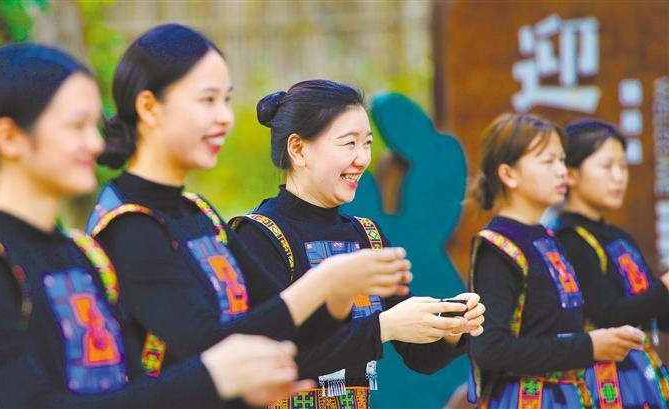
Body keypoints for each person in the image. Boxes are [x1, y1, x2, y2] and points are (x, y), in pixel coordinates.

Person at [0, 43, 311, 409]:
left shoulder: (84, 254)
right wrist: (213, 377)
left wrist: (238, 392)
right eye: (76, 126)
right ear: (9, 138)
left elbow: (133, 392)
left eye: (94, 125)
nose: (96, 144)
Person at [88, 23, 412, 394]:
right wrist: (328, 282)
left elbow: (280, 326)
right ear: (149, 107)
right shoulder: (129, 224)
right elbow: (211, 348)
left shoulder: (199, 212)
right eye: (207, 100)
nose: (225, 117)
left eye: (226, 100)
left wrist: (339, 293)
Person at [230, 79, 485, 408]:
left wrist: (451, 327)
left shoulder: (368, 235)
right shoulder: (258, 235)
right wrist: (382, 328)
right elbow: (272, 357)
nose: (362, 159)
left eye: (367, 144)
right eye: (348, 144)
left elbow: (419, 357)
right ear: (298, 149)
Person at [468, 113, 645, 408]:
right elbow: (490, 348)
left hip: (567, 396)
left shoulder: (547, 237)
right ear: (509, 175)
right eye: (548, 161)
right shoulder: (498, 247)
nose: (562, 171)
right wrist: (589, 346)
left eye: (562, 160)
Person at [554, 119, 669, 408]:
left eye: (623, 166)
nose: (618, 177)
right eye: (607, 166)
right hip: (596, 385)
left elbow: (655, 311)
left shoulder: (620, 238)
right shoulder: (568, 239)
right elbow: (608, 316)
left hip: (637, 377)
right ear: (571, 174)